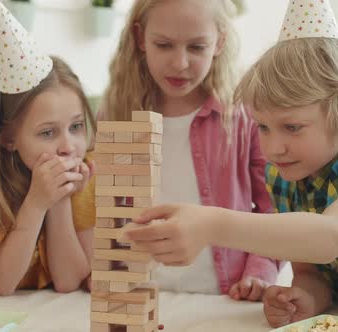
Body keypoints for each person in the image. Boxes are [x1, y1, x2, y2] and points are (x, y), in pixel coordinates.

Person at [123, 0, 338, 326]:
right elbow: (310, 271)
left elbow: (332, 236)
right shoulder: (285, 176)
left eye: (292, 127)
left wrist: (211, 224)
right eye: (263, 127)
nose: (273, 148)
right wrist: (304, 297)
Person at [100, 0, 281, 301]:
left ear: (220, 41)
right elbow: (103, 212)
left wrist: (259, 272)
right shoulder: (116, 114)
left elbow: (273, 207)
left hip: (222, 298)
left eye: (196, 47)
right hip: (136, 295)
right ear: (139, 38)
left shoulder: (244, 116)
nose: (180, 63)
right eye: (164, 45)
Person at [0, 0, 96, 296]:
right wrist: (36, 203)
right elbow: (2, 283)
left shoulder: (84, 176)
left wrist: (60, 201)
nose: (68, 146)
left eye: (76, 127)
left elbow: (68, 281)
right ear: (8, 137)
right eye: (48, 132)